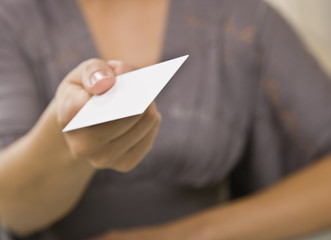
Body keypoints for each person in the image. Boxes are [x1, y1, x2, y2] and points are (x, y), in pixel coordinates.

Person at [1, 0, 331, 239]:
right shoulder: (12, 20)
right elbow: (13, 210)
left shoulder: (242, 19)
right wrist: (67, 131)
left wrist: (192, 234)